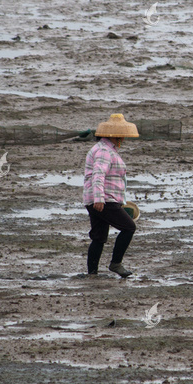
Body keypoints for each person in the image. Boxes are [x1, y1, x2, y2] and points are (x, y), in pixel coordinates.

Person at [83, 113, 139, 278]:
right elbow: (98, 175)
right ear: (115, 135)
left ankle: (92, 273)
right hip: (103, 200)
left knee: (98, 237)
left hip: (97, 199)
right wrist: (99, 198)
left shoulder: (105, 148)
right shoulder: (104, 151)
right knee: (129, 227)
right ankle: (116, 264)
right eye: (122, 136)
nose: (123, 139)